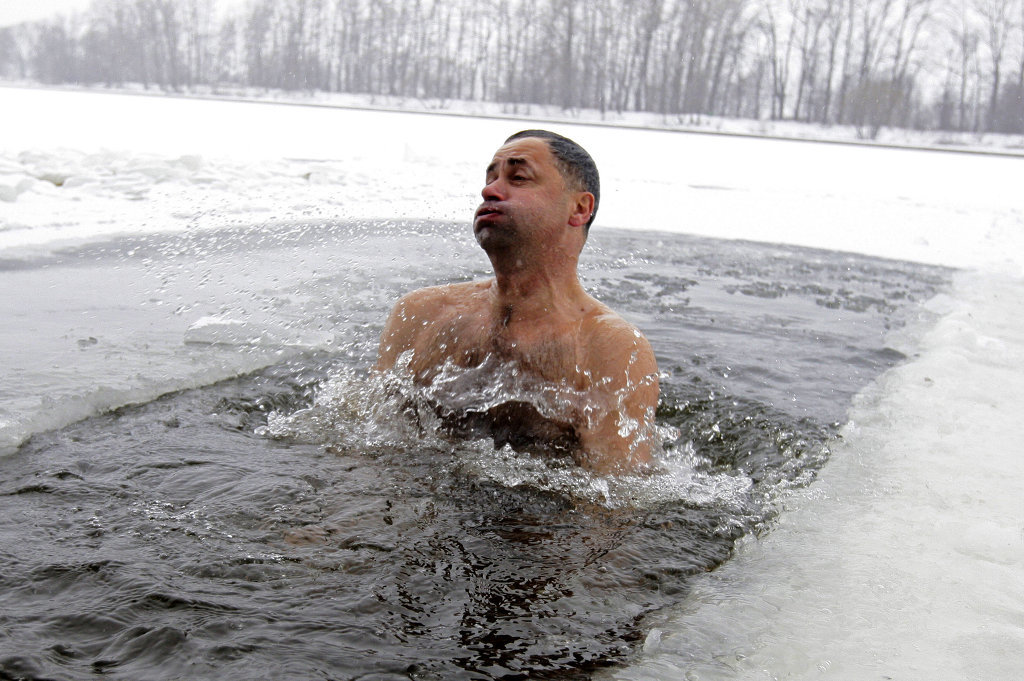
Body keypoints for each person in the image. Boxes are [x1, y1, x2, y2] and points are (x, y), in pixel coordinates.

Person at [376, 130, 659, 474]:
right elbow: (366, 446)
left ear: (579, 208)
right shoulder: (419, 314)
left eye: (518, 177)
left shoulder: (609, 348)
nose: (489, 190)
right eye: (491, 176)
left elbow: (612, 503)